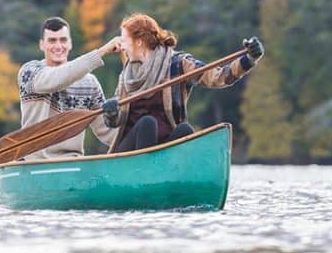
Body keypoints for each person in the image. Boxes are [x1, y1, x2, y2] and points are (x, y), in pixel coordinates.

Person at [101, 13, 264, 153]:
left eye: (124, 40)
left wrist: (249, 59)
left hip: (163, 147)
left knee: (185, 130)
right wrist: (111, 113)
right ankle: (147, 173)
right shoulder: (127, 75)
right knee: (147, 123)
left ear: (138, 42)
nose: (121, 47)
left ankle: (174, 173)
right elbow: (114, 122)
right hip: (131, 153)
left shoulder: (178, 64)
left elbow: (218, 77)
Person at [18, 16, 121, 159]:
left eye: (63, 40)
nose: (58, 46)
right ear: (41, 45)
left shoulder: (90, 83)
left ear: (70, 43)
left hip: (73, 162)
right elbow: (58, 78)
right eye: (52, 41)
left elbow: (107, 132)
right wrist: (102, 51)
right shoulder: (30, 72)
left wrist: (113, 117)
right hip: (35, 163)